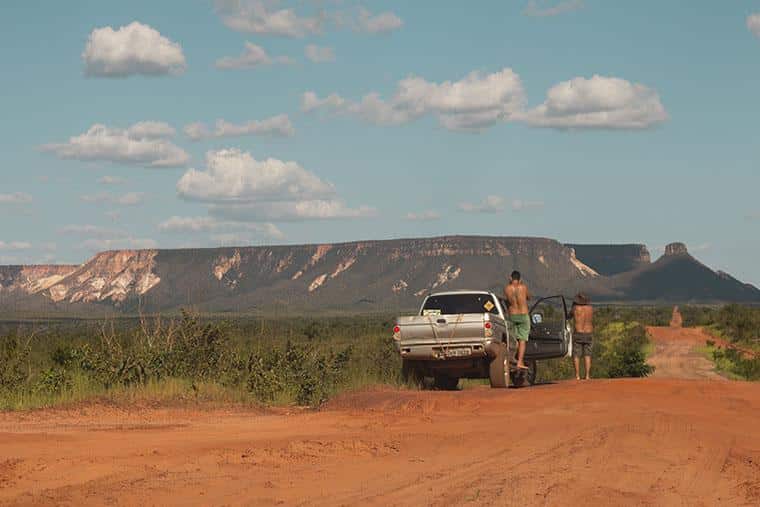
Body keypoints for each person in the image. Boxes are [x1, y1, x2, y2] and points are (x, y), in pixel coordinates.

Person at [504, 270, 531, 370]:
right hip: (523, 315)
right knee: (522, 340)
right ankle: (520, 361)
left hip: (512, 315)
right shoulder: (523, 287)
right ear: (520, 279)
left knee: (514, 339)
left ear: (510, 278)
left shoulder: (507, 289)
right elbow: (529, 297)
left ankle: (512, 359)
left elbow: (508, 301)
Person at [569, 293, 593, 380]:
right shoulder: (590, 308)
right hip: (589, 333)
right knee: (587, 355)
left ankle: (577, 375)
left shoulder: (575, 308)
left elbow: (569, 316)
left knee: (576, 355)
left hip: (578, 333)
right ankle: (587, 375)